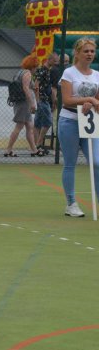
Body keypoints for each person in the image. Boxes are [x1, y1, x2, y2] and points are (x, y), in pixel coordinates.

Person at [57, 37, 99, 218]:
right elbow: (66, 100)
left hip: (91, 123)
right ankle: (71, 203)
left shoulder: (97, 75)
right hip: (70, 121)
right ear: (77, 53)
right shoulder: (69, 73)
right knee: (70, 163)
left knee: (97, 162)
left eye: (92, 51)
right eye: (86, 51)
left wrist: (93, 104)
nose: (89, 54)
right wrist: (87, 100)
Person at [4, 55, 43, 157]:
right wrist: (32, 104)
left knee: (29, 126)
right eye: (36, 66)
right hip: (24, 103)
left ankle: (34, 150)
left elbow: (31, 87)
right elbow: (26, 88)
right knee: (19, 126)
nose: (37, 69)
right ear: (33, 66)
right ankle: (8, 149)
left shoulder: (20, 72)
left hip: (19, 102)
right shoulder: (27, 74)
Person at [34, 53, 59, 154]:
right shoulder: (42, 70)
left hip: (45, 99)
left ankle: (36, 147)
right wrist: (37, 100)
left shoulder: (48, 71)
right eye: (55, 61)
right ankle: (38, 144)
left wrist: (53, 100)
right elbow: (36, 84)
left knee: (37, 123)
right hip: (42, 99)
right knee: (48, 122)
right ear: (49, 60)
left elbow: (50, 87)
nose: (56, 63)